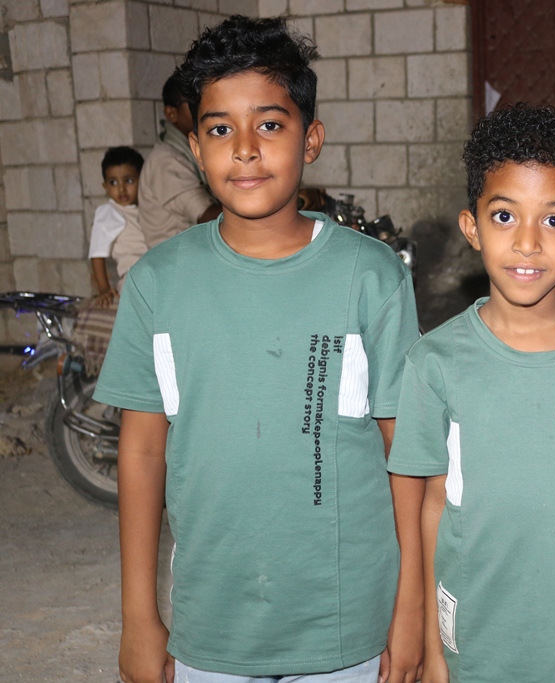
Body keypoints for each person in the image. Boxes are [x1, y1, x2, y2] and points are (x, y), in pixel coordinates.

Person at [94, 15, 419, 683]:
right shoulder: (157, 283)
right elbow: (143, 450)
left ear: (311, 139)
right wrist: (137, 615)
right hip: (211, 630)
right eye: (220, 130)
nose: (244, 149)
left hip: (348, 628)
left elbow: (408, 454)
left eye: (269, 124)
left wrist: (411, 607)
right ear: (195, 146)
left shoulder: (370, 276)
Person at [386, 103, 555, 683]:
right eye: (503, 216)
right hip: (477, 648)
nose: (527, 243)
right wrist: (433, 648)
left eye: (553, 221)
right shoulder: (435, 362)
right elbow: (433, 505)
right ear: (472, 227)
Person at [137, 73, 220, 249]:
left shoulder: (194, 150)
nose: (204, 108)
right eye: (193, 103)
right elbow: (207, 217)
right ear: (171, 113)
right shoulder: (165, 160)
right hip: (178, 262)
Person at [87, 146, 148, 308]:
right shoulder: (109, 212)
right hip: (133, 277)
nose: (121, 189)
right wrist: (104, 289)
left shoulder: (147, 208)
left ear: (142, 180)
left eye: (129, 181)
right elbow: (97, 255)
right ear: (105, 187)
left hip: (156, 270)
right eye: (113, 182)